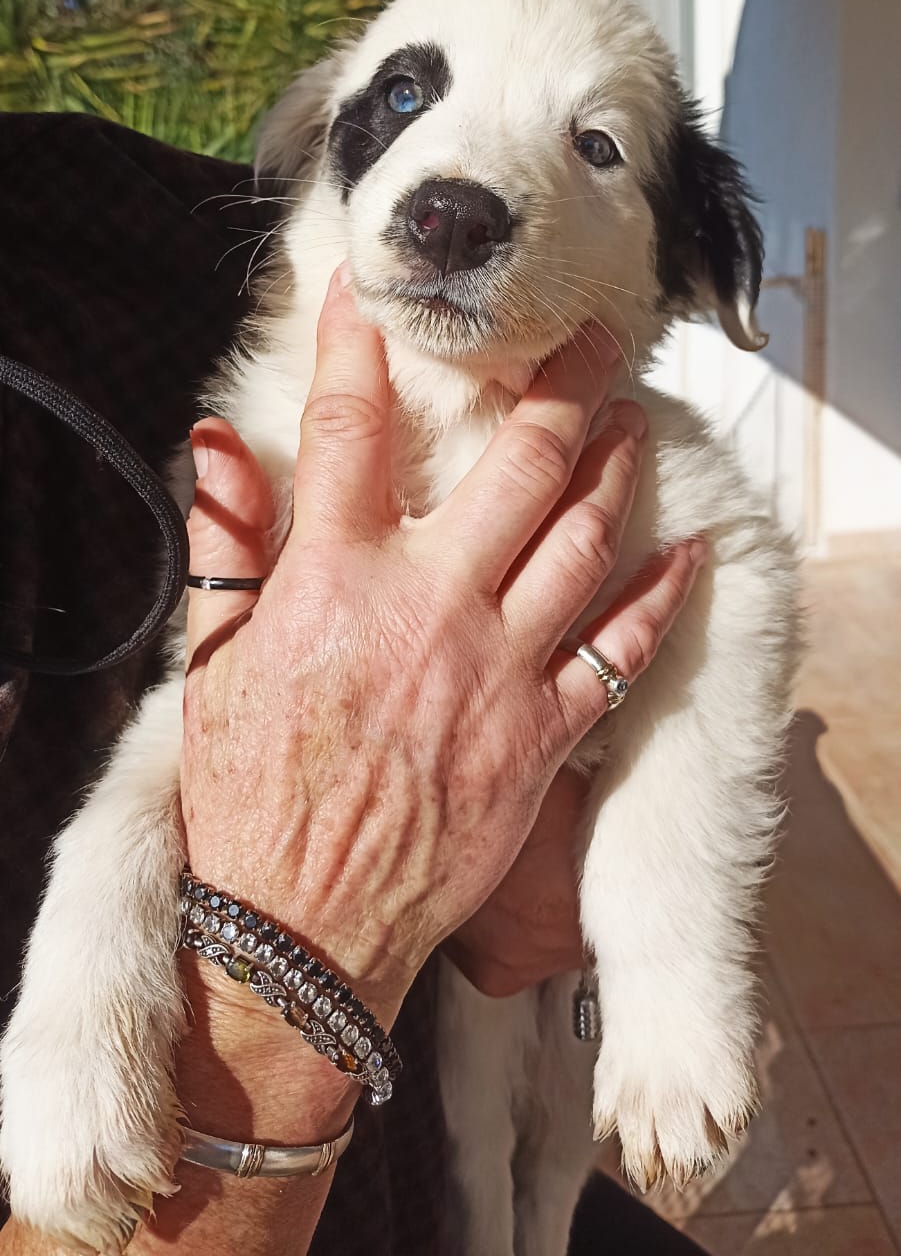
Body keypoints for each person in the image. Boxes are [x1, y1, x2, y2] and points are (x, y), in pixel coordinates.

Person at [1, 265, 708, 1256]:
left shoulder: (158, 248)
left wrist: (610, 877)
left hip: (408, 1123)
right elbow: (197, 719)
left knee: (539, 1169)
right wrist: (275, 981)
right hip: (272, 1179)